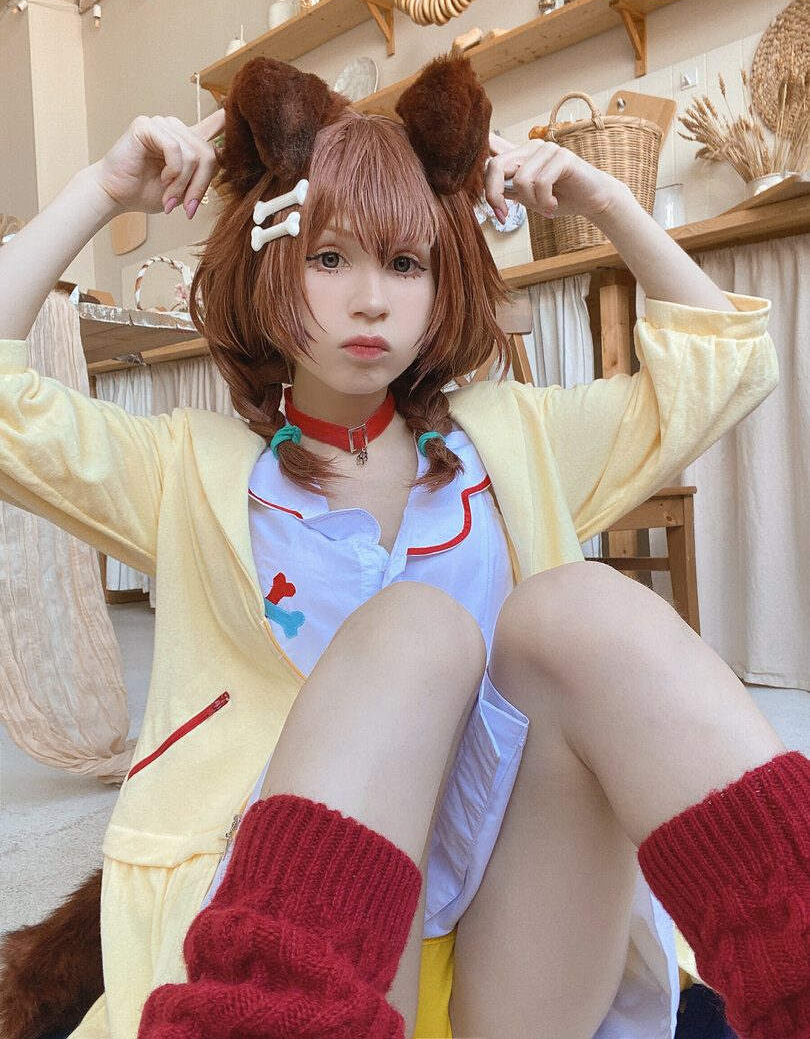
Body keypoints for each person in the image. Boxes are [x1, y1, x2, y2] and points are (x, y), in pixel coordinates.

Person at [0, 53, 806, 1039]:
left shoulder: (511, 442)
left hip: (517, 931)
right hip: (312, 942)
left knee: (583, 607)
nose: (371, 299)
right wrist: (98, 190)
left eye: (405, 263)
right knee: (412, 630)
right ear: (268, 262)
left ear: (441, 281)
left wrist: (606, 202)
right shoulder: (187, 470)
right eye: (328, 259)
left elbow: (726, 367)